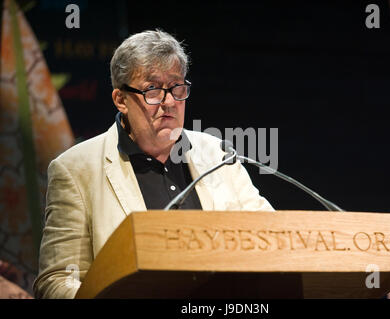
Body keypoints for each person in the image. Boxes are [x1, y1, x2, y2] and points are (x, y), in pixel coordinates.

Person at [33, 29, 274, 299]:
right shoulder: (76, 169)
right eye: (153, 89)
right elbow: (57, 281)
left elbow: (271, 238)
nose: (169, 102)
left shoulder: (217, 154)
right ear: (120, 100)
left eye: (176, 87)